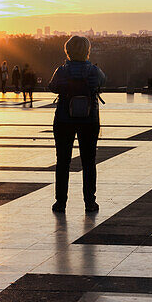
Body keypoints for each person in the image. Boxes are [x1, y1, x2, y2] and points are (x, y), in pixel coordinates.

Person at [48, 35, 106, 214]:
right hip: (89, 119)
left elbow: (52, 86)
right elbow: (103, 82)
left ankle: (60, 202)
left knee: (63, 162)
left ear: (68, 51)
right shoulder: (94, 71)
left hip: (64, 119)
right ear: (87, 51)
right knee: (89, 162)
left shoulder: (62, 70)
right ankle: (90, 202)